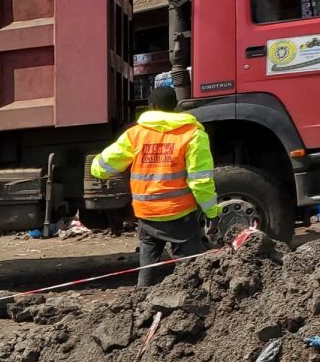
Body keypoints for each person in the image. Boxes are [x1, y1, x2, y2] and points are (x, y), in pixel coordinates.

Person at [91, 84, 222, 287]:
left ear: (151, 106)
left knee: (148, 267)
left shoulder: (135, 134)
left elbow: (103, 167)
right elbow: (201, 180)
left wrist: (95, 166)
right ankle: (192, 302)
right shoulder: (193, 135)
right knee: (191, 269)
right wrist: (211, 212)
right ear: (176, 106)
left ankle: (142, 304)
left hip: (146, 214)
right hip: (179, 215)